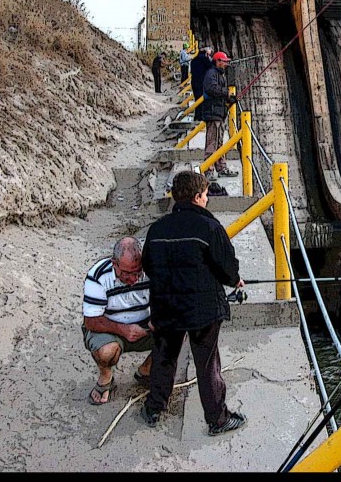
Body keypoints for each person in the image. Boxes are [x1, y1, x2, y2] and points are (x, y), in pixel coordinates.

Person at [140, 171, 247, 435]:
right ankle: (217, 420)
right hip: (203, 310)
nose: (207, 200)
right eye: (206, 195)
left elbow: (149, 266)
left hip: (166, 307)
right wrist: (236, 281)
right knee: (207, 363)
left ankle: (154, 408)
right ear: (198, 197)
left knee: (165, 357)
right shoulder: (210, 228)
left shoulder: (157, 229)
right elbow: (227, 267)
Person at [82, 236, 153, 405]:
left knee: (176, 332)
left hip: (145, 325)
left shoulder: (152, 269)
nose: (133, 279)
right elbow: (91, 321)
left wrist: (158, 320)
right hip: (110, 329)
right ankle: (106, 376)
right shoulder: (98, 275)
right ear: (114, 264)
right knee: (106, 352)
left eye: (138, 272)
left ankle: (146, 370)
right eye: (127, 273)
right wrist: (123, 330)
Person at [202, 51, 238, 179]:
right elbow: (211, 89)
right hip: (213, 113)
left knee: (219, 143)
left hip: (219, 113)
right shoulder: (211, 74)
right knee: (212, 142)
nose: (226, 63)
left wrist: (230, 99)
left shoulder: (219, 75)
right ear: (217, 61)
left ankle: (221, 168)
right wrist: (226, 93)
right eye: (224, 61)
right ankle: (208, 170)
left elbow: (219, 93)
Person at [190, 46, 213, 122]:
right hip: (202, 82)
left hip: (194, 82)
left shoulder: (194, 60)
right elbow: (211, 67)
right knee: (203, 100)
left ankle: (197, 116)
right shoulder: (205, 60)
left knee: (197, 99)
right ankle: (201, 117)